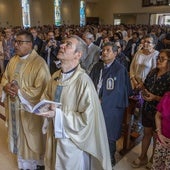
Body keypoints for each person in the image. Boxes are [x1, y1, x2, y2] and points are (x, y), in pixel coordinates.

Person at [39, 35, 112, 170]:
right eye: (63, 43)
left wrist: (58, 114)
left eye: (68, 44)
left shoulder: (84, 82)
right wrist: (44, 106)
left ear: (78, 54)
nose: (61, 46)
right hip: (53, 134)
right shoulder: (55, 76)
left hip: (72, 142)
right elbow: (46, 97)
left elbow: (86, 120)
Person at [0, 30, 51, 170]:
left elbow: (43, 89)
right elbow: (5, 77)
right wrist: (6, 86)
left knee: (32, 140)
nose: (15, 45)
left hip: (29, 112)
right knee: (19, 140)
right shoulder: (13, 60)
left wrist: (20, 92)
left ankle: (36, 165)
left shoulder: (39, 63)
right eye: (15, 42)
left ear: (30, 44)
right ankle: (24, 165)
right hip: (14, 109)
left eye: (20, 42)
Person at [90, 42, 132, 167]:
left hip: (111, 107)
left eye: (108, 50)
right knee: (94, 131)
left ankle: (110, 158)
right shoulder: (97, 66)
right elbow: (90, 82)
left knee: (109, 133)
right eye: (103, 50)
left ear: (115, 53)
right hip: (95, 104)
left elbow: (120, 91)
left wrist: (103, 100)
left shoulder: (119, 69)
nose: (104, 52)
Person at [131, 49, 170, 168]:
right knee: (146, 133)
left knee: (156, 136)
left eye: (162, 59)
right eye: (158, 58)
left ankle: (154, 159)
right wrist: (143, 90)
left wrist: (155, 97)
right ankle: (143, 156)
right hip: (148, 108)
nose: (158, 60)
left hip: (160, 112)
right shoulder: (153, 72)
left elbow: (167, 100)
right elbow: (146, 86)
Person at [151, 92, 170, 169]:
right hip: (161, 140)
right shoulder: (167, 96)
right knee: (156, 166)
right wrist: (159, 134)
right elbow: (158, 115)